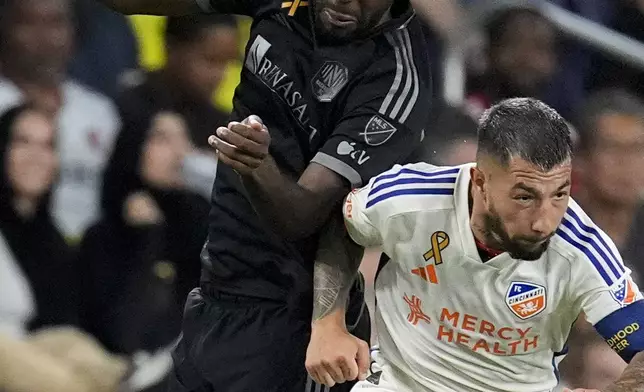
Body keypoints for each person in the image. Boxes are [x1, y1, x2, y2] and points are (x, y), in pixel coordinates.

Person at [98, 0, 431, 391]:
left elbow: (306, 214)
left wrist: (258, 165)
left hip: (290, 321)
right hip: (217, 292)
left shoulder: (394, 80)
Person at [306, 98, 644, 392]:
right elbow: (343, 225)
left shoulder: (580, 247)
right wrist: (327, 324)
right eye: (524, 197)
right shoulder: (410, 198)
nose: (545, 221)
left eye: (559, 194)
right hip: (400, 383)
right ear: (480, 181)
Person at [0, 0, 121, 241]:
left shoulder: (100, 112)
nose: (43, 37)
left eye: (56, 23)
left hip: (82, 261)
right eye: (28, 22)